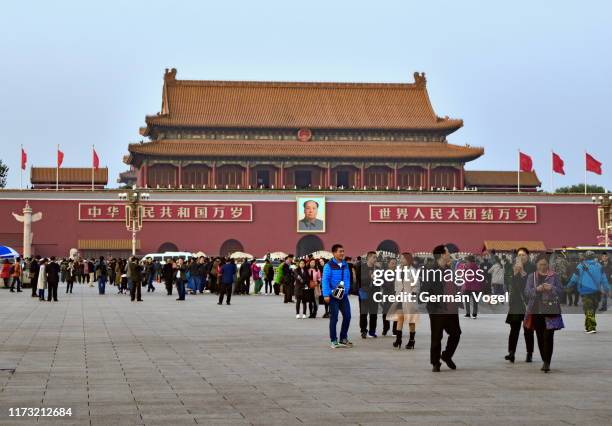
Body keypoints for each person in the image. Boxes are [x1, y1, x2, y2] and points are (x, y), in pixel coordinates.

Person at [421, 244, 462, 372]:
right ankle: (435, 362)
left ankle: (446, 355)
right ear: (442, 255)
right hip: (437, 308)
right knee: (437, 336)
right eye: (448, 252)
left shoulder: (448, 268)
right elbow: (424, 289)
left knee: (456, 333)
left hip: (450, 308)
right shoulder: (430, 269)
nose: (449, 254)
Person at [524, 254, 564, 372]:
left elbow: (561, 292)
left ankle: (547, 362)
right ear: (536, 265)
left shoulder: (554, 276)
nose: (543, 266)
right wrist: (537, 289)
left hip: (550, 309)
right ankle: (544, 358)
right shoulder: (532, 277)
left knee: (549, 336)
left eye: (545, 264)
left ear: (548, 265)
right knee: (540, 336)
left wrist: (552, 288)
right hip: (535, 310)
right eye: (540, 264)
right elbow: (527, 292)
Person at [566, 250, 609, 333]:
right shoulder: (599, 266)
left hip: (585, 290)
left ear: (585, 257)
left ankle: (591, 327)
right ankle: (588, 325)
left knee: (588, 308)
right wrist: (606, 288)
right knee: (592, 308)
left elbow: (574, 277)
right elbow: (604, 279)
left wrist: (568, 285)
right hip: (597, 290)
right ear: (594, 257)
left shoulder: (580, 266)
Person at [322, 244, 352, 348]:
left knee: (347, 316)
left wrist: (346, 290)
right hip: (333, 296)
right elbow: (325, 280)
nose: (342, 253)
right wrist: (326, 294)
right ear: (334, 253)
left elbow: (347, 278)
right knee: (334, 318)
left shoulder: (345, 264)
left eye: (343, 251)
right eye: (340, 251)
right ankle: (334, 340)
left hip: (343, 295)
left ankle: (343, 338)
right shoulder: (328, 265)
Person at [504, 258, 534, 363]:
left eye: (519, 263)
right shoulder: (512, 275)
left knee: (528, 331)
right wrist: (514, 275)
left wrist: (521, 274)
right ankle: (511, 353)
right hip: (515, 306)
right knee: (514, 330)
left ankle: (529, 353)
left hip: (525, 306)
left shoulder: (527, 275)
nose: (517, 265)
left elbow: (526, 289)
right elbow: (509, 287)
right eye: (516, 263)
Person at [389, 252, 420, 349]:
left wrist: (413, 294)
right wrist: (396, 293)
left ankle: (411, 340)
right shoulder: (399, 270)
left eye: (403, 258)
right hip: (399, 297)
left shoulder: (413, 271)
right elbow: (396, 283)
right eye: (401, 258)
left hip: (409, 298)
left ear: (408, 260)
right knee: (399, 319)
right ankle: (398, 340)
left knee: (411, 321)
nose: (401, 260)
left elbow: (416, 285)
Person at [356, 251, 378, 339]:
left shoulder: (377, 268)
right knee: (363, 312)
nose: (375, 259)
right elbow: (359, 279)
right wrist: (370, 277)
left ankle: (372, 331)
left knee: (373, 313)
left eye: (376, 258)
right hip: (364, 292)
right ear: (368, 258)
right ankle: (363, 331)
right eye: (374, 257)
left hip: (374, 293)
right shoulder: (361, 267)